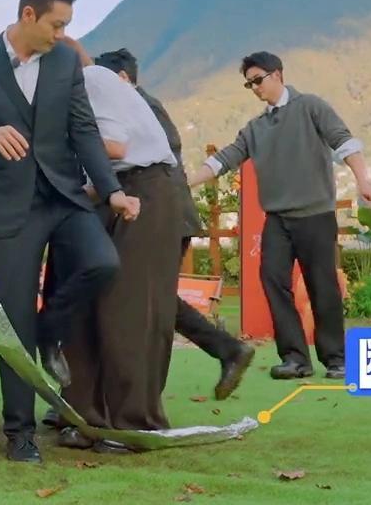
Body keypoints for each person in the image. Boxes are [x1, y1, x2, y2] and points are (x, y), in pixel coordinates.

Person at [0, 0, 140, 464]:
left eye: (66, 25)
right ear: (28, 14)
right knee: (12, 324)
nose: (62, 34)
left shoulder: (65, 62)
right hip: (10, 209)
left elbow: (84, 130)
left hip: (64, 197)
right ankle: (20, 433)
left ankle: (49, 328)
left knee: (103, 262)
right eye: (57, 24)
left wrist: (113, 191)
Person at [188, 52, 371, 380]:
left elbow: (344, 142)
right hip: (277, 219)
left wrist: (364, 180)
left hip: (315, 214)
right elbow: (224, 159)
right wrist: (184, 182)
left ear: (277, 74)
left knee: (323, 286)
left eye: (258, 80)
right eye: (249, 84)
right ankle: (295, 359)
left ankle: (336, 359)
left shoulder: (311, 107)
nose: (254, 88)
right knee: (273, 280)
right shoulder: (255, 128)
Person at [90, 48, 255, 400]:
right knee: (151, 296)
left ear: (122, 78)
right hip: (155, 212)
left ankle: (144, 393)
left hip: (162, 213)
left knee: (146, 298)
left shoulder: (140, 105)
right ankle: (226, 350)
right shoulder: (133, 105)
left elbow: (151, 157)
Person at [52, 53, 183, 452]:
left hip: (146, 189)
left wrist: (46, 142)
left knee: (129, 310)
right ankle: (86, 418)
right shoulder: (68, 95)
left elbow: (113, 146)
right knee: (83, 304)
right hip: (103, 194)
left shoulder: (92, 78)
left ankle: (135, 423)